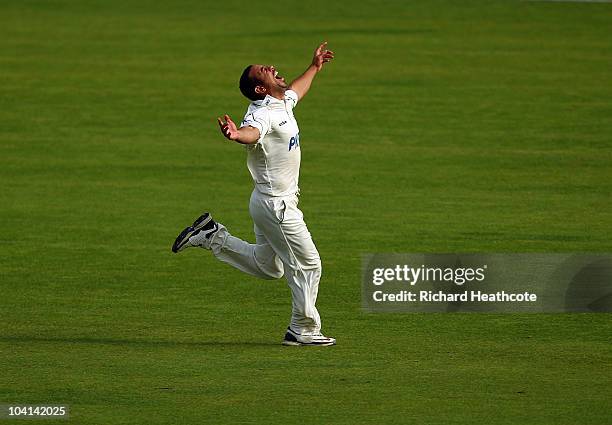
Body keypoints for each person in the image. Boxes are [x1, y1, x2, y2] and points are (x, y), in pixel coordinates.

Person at [171, 42, 335, 346]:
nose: (271, 68)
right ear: (260, 89)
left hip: (266, 202)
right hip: (277, 207)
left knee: (269, 266)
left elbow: (297, 90)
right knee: (308, 264)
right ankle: (303, 329)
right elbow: (253, 133)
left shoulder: (281, 101)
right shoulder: (262, 114)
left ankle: (211, 235)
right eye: (264, 71)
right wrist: (236, 136)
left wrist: (314, 66)